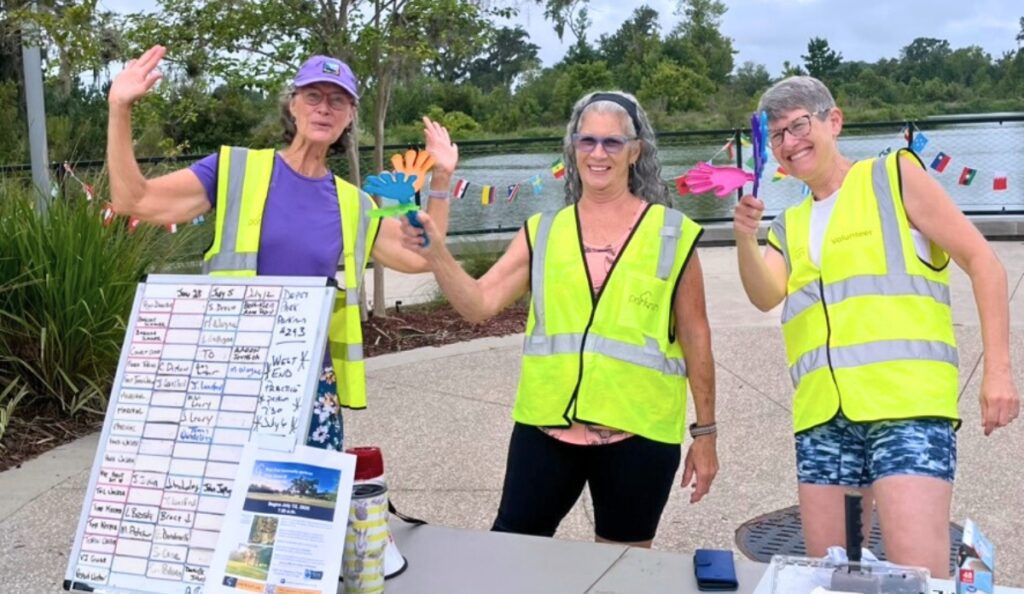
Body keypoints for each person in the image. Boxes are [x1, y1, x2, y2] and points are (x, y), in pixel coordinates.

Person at [399, 91, 718, 547]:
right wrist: (437, 253)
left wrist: (705, 435)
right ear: (572, 149)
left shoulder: (673, 232)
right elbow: (478, 305)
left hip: (639, 437)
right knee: (508, 560)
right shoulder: (542, 231)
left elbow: (696, 336)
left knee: (620, 573)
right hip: (545, 431)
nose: (598, 153)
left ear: (635, 151)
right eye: (587, 141)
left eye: (612, 142)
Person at [732, 76, 1020, 577]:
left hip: (906, 407)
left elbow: (983, 262)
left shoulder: (893, 177)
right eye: (777, 135)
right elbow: (765, 294)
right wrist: (744, 237)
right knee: (832, 579)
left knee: (918, 576)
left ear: (833, 121)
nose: (789, 142)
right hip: (824, 416)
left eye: (799, 125)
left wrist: (998, 370)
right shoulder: (789, 223)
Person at [106, 45, 459, 451]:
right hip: (226, 379)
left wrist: (442, 179)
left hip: (307, 385)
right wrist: (120, 110)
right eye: (313, 96)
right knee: (225, 504)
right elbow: (134, 200)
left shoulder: (353, 203)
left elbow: (422, 257)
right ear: (292, 106)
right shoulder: (234, 169)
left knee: (304, 507)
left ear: (349, 118)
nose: (324, 108)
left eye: (337, 100)